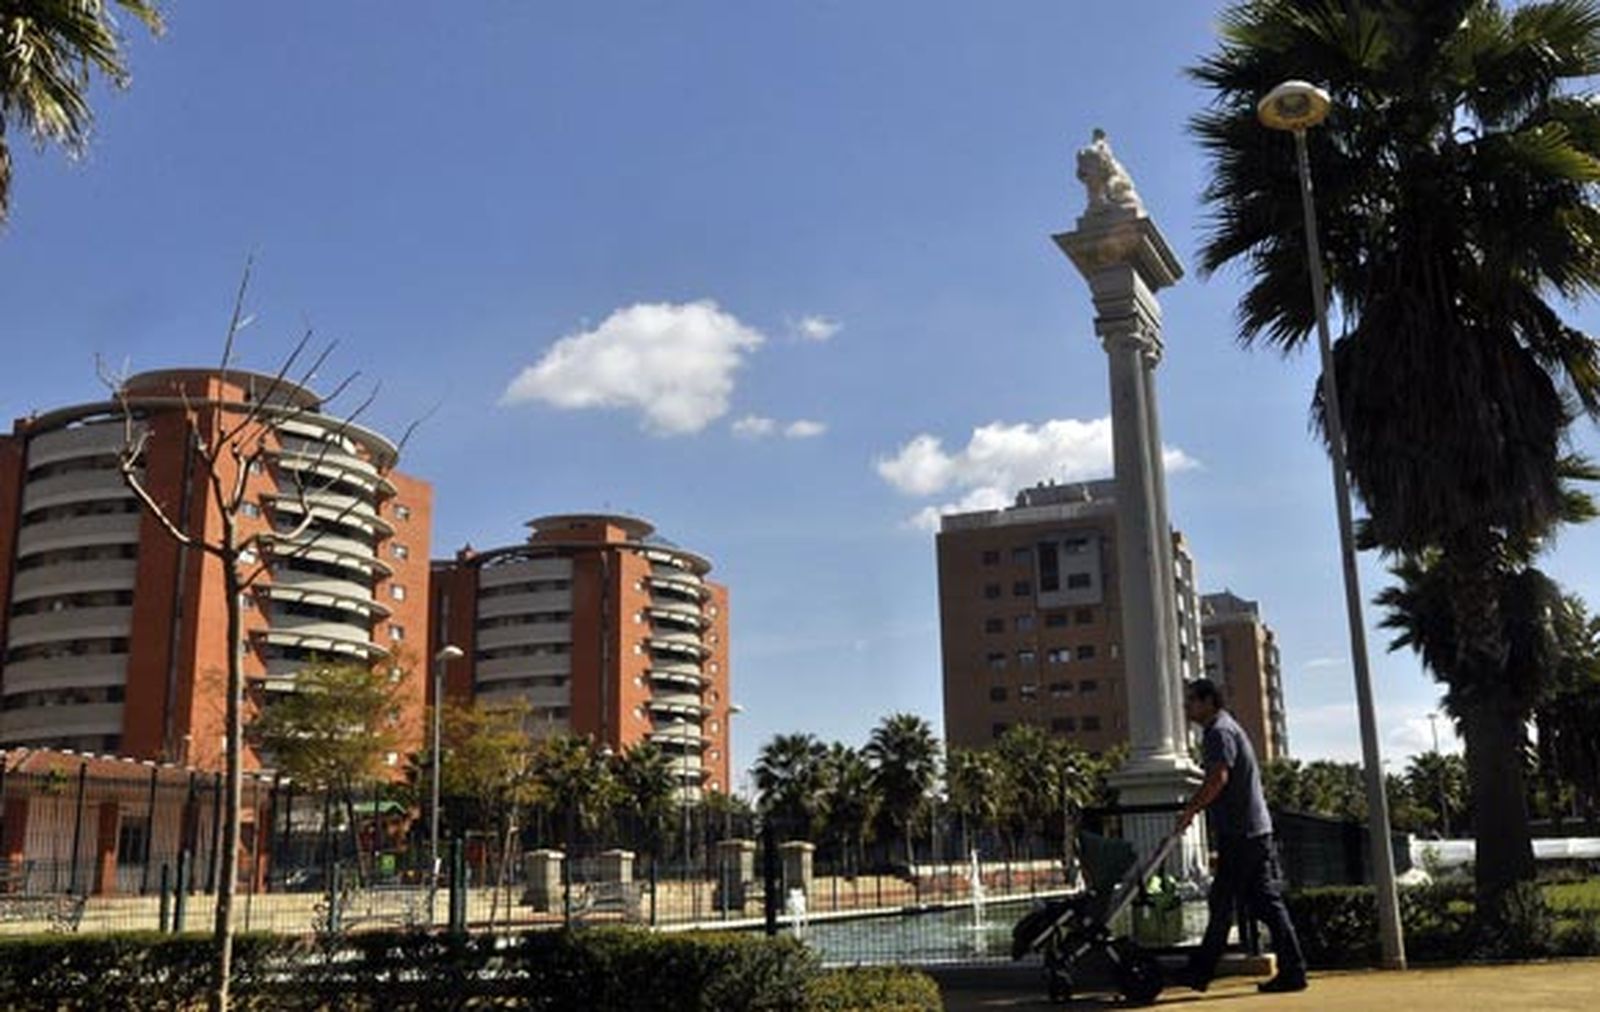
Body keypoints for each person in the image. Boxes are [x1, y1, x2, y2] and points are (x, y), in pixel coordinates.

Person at [1174, 678, 1307, 994]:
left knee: (1223, 901)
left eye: (1191, 701)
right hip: (1253, 830)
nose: (1186, 707)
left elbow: (1218, 777)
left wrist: (1191, 809)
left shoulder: (1219, 732)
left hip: (1242, 832)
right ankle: (1294, 970)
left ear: (1208, 702)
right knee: (1264, 902)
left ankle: (1199, 973)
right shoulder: (1225, 727)